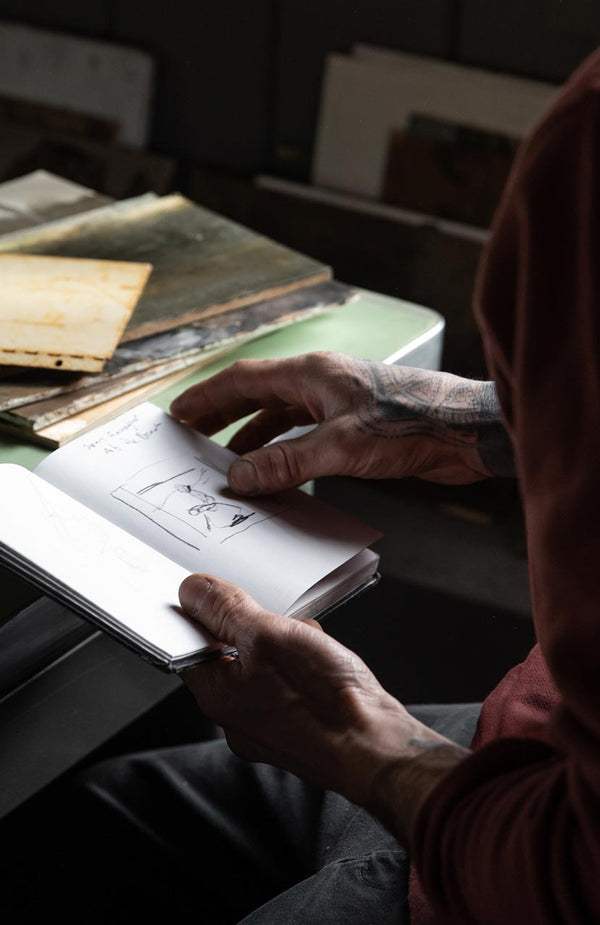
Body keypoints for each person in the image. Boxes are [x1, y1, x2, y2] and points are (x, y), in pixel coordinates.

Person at [5, 47, 600, 924]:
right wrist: (489, 421)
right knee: (91, 822)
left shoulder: (584, 160)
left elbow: (569, 879)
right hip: (534, 753)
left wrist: (371, 752)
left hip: (526, 867)